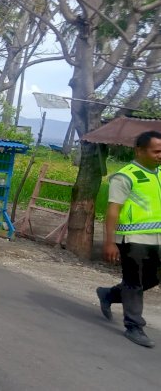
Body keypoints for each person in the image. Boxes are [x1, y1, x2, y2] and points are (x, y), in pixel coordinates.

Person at [96, 130, 161, 348]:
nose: (160, 155)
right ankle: (134, 326)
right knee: (134, 281)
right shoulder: (125, 176)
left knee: (152, 279)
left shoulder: (160, 173)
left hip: (157, 238)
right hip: (132, 239)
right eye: (156, 151)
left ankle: (109, 294)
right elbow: (113, 210)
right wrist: (110, 241)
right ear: (139, 151)